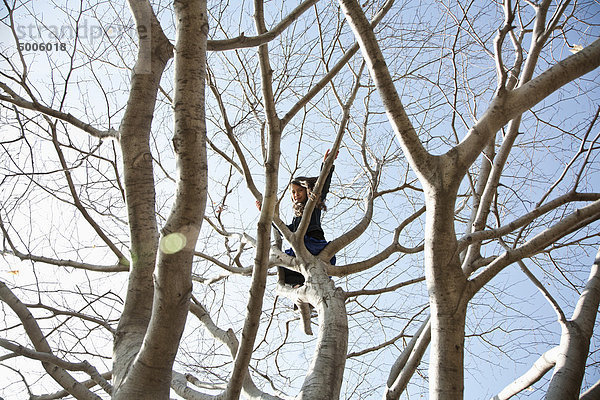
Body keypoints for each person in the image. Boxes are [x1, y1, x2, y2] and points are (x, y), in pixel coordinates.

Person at [257, 150, 337, 287]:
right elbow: (285, 230)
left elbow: (323, 185)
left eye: (299, 190)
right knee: (283, 268)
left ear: (306, 190)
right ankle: (302, 292)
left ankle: (308, 286)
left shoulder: (314, 203)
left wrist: (327, 164)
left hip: (314, 243)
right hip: (300, 250)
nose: (296, 194)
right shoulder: (297, 218)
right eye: (293, 192)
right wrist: (266, 214)